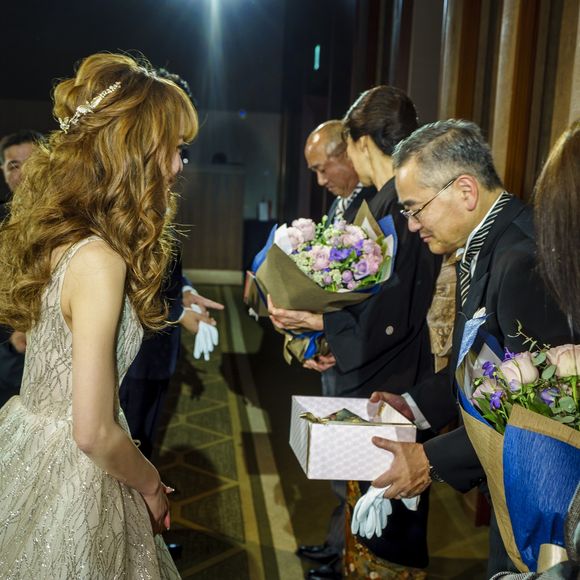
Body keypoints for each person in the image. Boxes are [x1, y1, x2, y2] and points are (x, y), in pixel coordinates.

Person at [0, 52, 198, 577]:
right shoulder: (98, 258)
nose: (179, 166)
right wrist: (152, 486)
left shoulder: (65, 235)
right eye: (174, 148)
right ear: (135, 150)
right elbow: (92, 431)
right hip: (75, 467)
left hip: (32, 443)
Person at [368, 119, 575, 577]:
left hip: (537, 494)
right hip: (505, 480)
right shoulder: (487, 242)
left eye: (416, 209)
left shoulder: (522, 259)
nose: (412, 225)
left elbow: (537, 413)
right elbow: (481, 368)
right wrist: (414, 405)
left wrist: (430, 458)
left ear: (464, 190)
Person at [269, 86, 440, 579]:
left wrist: (319, 323)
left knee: (386, 506)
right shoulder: (383, 201)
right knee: (361, 494)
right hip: (374, 366)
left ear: (363, 143)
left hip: (392, 374)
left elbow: (394, 313)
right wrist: (323, 330)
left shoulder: (397, 206)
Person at [120, 67, 224, 461]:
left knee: (146, 442)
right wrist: (179, 313)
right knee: (130, 451)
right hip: (130, 358)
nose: (181, 165)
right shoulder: (119, 210)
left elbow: (161, 267)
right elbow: (123, 292)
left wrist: (185, 290)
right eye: (176, 145)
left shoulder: (150, 196)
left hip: (157, 353)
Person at [0, 130, 43, 407]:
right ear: (3, 171)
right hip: (7, 352)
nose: (24, 173)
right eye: (14, 165)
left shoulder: (70, 219)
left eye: (32, 162)